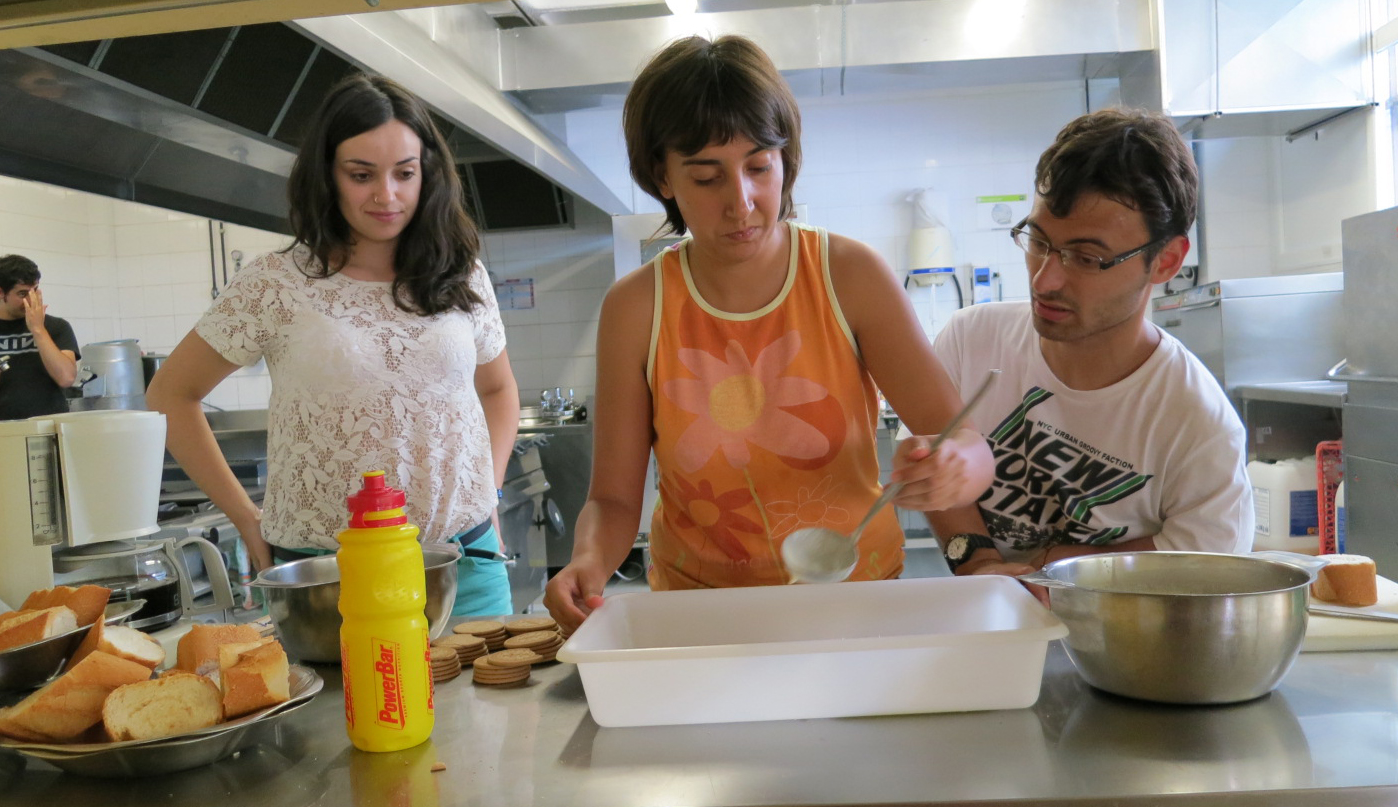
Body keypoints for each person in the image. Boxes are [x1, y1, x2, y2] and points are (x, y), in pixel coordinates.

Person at [543, 35, 996, 633]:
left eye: (760, 166)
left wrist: (957, 464)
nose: (743, 202)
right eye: (707, 178)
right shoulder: (637, 308)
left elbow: (962, 438)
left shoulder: (848, 275)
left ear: (787, 159)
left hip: (853, 603)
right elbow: (614, 499)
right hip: (699, 614)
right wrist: (588, 562)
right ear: (664, 178)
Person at [147, 73, 520, 617]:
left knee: (488, 702)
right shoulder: (276, 283)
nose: (386, 195)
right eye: (362, 174)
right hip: (330, 579)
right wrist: (246, 518)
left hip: (465, 563)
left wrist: (488, 493)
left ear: (427, 175)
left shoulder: (462, 274)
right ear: (328, 176)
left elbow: (499, 388)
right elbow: (170, 395)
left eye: (405, 173)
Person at [926, 108, 1254, 585]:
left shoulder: (1197, 422)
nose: (1045, 279)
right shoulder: (971, 341)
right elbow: (940, 476)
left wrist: (1040, 568)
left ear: (1165, 261)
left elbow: (1203, 559)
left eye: (1086, 257)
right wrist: (978, 561)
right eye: (1038, 241)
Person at [0, 254, 79, 421]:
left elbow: (66, 378)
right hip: (0, 429)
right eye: (23, 294)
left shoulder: (56, 327)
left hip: (49, 428)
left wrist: (38, 329)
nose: (31, 301)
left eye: (35, 291)